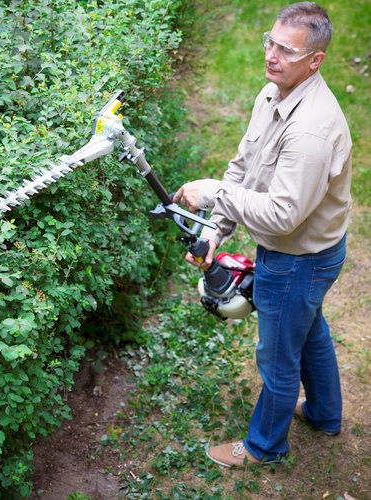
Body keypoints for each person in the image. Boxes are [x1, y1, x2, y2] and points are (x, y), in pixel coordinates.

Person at [173, 1, 352, 467]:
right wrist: (216, 230)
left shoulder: (311, 129)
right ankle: (326, 415)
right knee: (310, 333)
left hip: (298, 258)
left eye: (286, 50)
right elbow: (245, 170)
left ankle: (264, 447)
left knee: (277, 358)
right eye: (270, 42)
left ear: (316, 61)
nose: (272, 54)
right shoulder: (272, 94)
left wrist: (211, 193)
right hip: (301, 254)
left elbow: (280, 217)